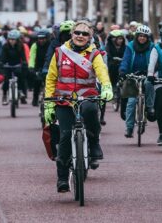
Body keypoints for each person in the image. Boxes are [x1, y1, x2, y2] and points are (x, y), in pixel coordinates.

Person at [43, 20, 113, 193]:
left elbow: (102, 73)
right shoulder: (59, 52)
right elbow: (51, 79)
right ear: (72, 34)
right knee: (65, 136)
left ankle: (94, 142)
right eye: (77, 33)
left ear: (90, 37)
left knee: (91, 111)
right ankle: (62, 177)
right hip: (63, 99)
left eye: (85, 34)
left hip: (86, 96)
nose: (80, 36)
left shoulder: (94, 54)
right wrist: (49, 105)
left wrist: (106, 88)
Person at [119, 24, 156, 137]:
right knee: (131, 102)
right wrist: (123, 71)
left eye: (144, 36)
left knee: (149, 84)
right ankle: (129, 128)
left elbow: (155, 61)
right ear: (136, 36)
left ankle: (149, 107)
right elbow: (126, 59)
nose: (142, 38)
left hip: (147, 74)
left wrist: (152, 72)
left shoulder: (152, 47)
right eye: (140, 36)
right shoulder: (130, 46)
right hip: (132, 75)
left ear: (147, 38)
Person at [0, 29, 28, 105]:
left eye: (13, 39)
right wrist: (2, 63)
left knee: (21, 78)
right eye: (10, 39)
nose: (12, 41)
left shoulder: (20, 46)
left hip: (17, 65)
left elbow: (23, 56)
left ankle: (21, 91)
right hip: (7, 65)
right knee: (6, 81)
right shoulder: (5, 46)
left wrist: (24, 62)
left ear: (17, 40)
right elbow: (2, 57)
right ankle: (4, 95)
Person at [28, 28, 51, 106]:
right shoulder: (35, 45)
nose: (41, 40)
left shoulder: (51, 45)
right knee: (37, 82)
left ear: (47, 38)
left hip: (49, 67)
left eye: (43, 38)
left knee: (48, 84)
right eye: (40, 38)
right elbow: (32, 57)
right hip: (38, 66)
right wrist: (31, 67)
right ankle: (35, 98)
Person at [102, 29, 127, 98]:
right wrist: (113, 59)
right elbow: (108, 56)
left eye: (121, 39)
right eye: (119, 39)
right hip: (112, 66)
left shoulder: (124, 47)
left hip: (122, 64)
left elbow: (127, 55)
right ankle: (113, 87)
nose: (120, 41)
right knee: (113, 68)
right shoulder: (108, 46)